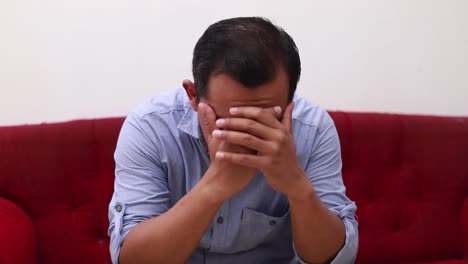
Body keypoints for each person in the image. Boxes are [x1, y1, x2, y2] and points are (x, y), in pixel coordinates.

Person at [108, 17, 358, 264]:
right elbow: (131, 259)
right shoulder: (150, 127)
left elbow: (334, 258)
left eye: (266, 118)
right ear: (193, 96)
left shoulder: (312, 128)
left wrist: (296, 186)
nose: (247, 135)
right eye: (229, 120)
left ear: (290, 104)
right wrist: (214, 186)